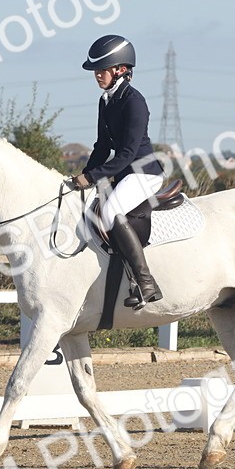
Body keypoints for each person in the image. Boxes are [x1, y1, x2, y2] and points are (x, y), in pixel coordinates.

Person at [67, 34, 164, 308]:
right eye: (95, 71)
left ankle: (146, 283)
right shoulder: (106, 100)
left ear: (120, 69)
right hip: (124, 173)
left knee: (110, 213)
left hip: (144, 172)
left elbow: (127, 154)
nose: (97, 75)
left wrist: (94, 176)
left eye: (102, 70)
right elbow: (102, 146)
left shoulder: (135, 102)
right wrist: (82, 176)